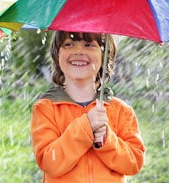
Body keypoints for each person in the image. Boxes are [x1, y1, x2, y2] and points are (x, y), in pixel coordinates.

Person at [30, 31, 145, 182]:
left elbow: (134, 163)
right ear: (57, 54)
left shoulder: (121, 111)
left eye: (89, 45)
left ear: (104, 56)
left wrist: (106, 140)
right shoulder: (45, 109)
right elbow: (50, 163)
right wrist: (86, 127)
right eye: (69, 44)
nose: (79, 51)